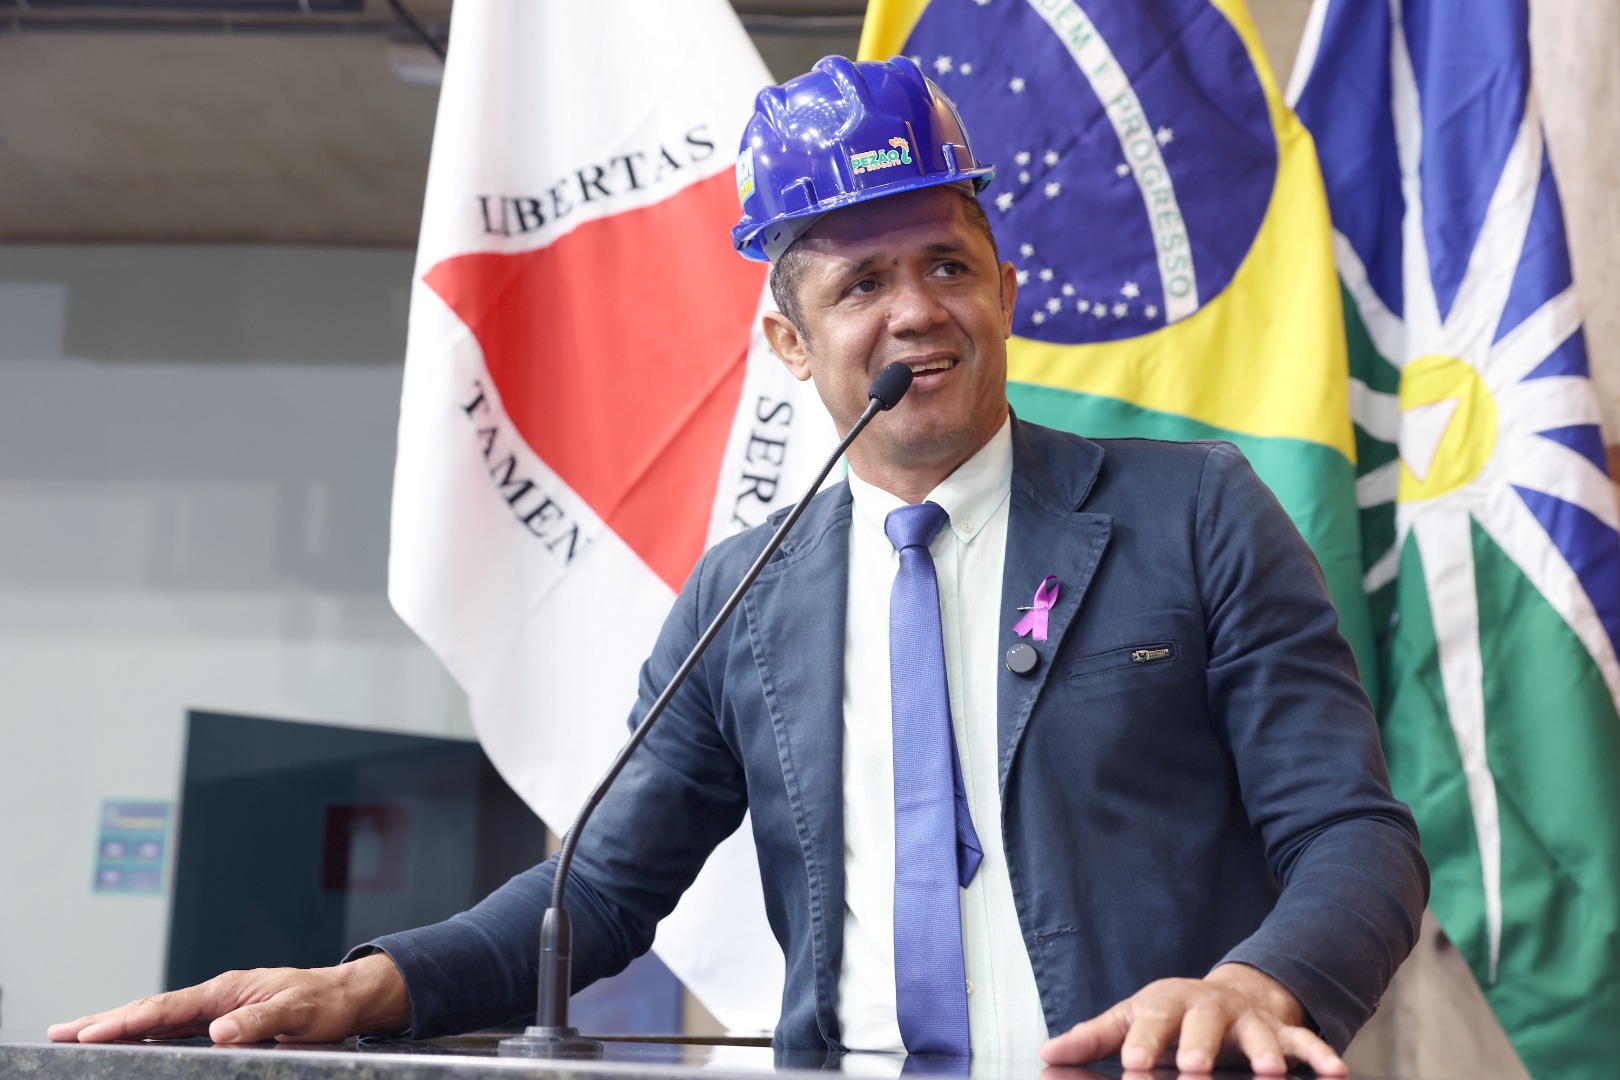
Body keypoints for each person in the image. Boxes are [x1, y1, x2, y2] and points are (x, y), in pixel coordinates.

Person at [50, 56, 1427, 1075]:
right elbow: (596, 896)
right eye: (860, 285)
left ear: (1006, 291)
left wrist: (1260, 982)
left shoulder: (1194, 512)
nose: (917, 312)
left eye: (948, 265)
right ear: (789, 343)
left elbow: (1352, 837)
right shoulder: (742, 600)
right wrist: (368, 986)